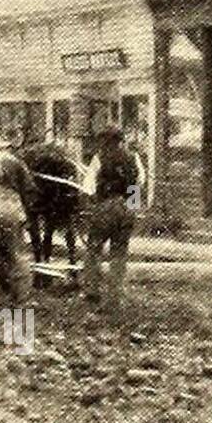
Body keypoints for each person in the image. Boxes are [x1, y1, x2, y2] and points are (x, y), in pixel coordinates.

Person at [79, 124, 141, 307]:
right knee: (119, 253)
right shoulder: (133, 158)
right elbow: (138, 183)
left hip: (106, 206)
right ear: (121, 140)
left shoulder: (99, 158)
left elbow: (88, 187)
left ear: (105, 141)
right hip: (127, 207)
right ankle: (115, 296)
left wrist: (89, 209)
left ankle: (92, 291)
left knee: (93, 249)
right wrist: (132, 209)